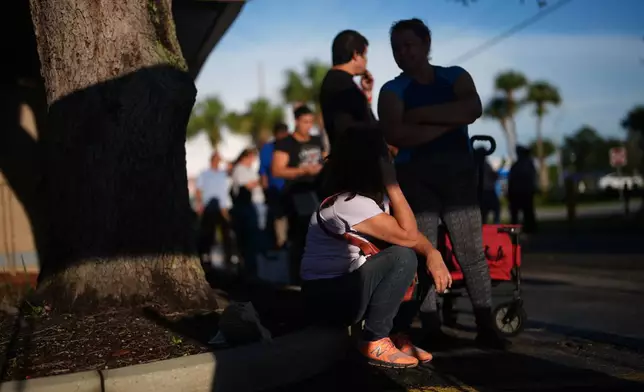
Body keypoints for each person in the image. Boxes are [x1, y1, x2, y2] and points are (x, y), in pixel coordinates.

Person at [378, 18, 507, 349]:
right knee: (424, 254)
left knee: (471, 252)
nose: (402, 53)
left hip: (458, 178)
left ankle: (485, 323)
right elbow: (395, 133)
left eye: (408, 45)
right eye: (396, 48)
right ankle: (432, 327)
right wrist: (449, 122)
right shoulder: (391, 90)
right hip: (414, 179)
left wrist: (419, 116)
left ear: (425, 44)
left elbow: (473, 107)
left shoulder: (455, 76)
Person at [302, 126, 452, 368]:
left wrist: (433, 253)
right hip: (326, 299)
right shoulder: (349, 203)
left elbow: (413, 238)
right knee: (402, 256)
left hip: (347, 289)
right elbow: (408, 236)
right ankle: (375, 339)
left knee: (419, 257)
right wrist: (392, 183)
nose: (392, 154)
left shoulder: (371, 201)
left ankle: (394, 332)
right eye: (385, 154)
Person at [272, 105, 327, 283]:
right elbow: (277, 170)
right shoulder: (286, 142)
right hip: (296, 195)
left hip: (318, 193)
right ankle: (296, 278)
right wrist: (303, 171)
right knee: (300, 237)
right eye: (305, 122)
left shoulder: (317, 140)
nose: (309, 125)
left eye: (311, 122)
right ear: (296, 121)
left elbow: (325, 158)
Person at [319, 30, 376, 148]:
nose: (366, 60)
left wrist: (366, 93)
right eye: (364, 55)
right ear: (355, 55)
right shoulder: (342, 85)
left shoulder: (337, 81)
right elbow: (357, 127)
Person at [195, 152, 233, 265]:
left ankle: (229, 257)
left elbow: (232, 166)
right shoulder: (204, 173)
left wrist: (224, 159)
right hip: (209, 207)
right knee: (208, 233)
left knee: (226, 233)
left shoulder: (223, 173)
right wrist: (199, 204)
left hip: (223, 207)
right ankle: (206, 256)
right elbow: (198, 190)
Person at [230, 148, 263, 276]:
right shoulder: (240, 169)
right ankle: (248, 269)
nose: (253, 160)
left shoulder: (249, 169)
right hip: (247, 207)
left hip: (254, 205)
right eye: (252, 157)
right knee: (248, 239)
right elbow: (245, 186)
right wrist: (259, 181)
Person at [259, 123, 290, 249]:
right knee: (279, 218)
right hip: (275, 190)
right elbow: (263, 171)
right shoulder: (268, 148)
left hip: (292, 188)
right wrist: (265, 189)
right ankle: (281, 243)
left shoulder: (291, 145)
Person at [508, 146, 537, 233]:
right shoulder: (526, 164)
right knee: (524, 211)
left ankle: (528, 228)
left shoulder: (521, 164)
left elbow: (512, 179)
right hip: (522, 191)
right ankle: (526, 228)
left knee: (525, 212)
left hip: (521, 191)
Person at [477, 148, 501, 224]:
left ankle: (493, 225)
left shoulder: (484, 165)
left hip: (487, 191)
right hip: (485, 192)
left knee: (490, 211)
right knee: (484, 212)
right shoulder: (481, 165)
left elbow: (494, 176)